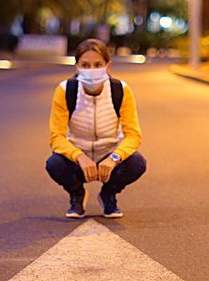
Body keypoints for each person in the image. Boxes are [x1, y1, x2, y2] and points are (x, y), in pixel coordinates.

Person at [45, 38, 147, 219]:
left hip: (109, 156)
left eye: (97, 64)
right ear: (76, 66)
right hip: (78, 159)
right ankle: (77, 194)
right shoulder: (65, 90)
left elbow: (133, 135)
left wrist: (114, 158)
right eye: (85, 64)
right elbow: (57, 137)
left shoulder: (121, 90)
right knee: (54, 164)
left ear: (108, 65)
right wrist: (79, 157)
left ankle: (108, 194)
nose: (92, 70)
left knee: (137, 163)